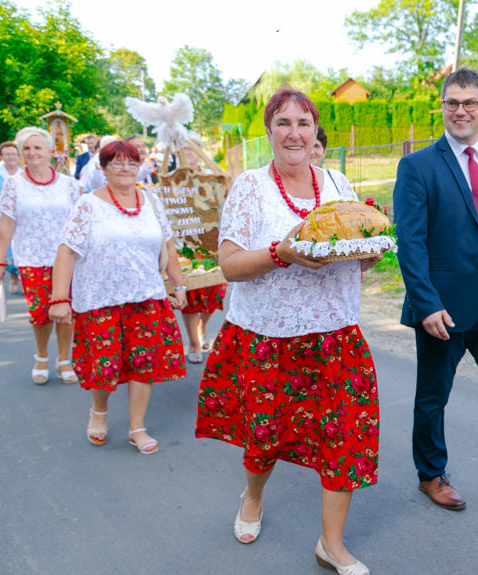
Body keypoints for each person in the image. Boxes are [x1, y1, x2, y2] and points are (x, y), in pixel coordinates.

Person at [195, 89, 380, 575]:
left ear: (314, 130)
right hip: (268, 341)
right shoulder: (250, 187)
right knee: (266, 437)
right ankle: (252, 497)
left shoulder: (337, 181)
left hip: (336, 336)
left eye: (303, 123)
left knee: (345, 438)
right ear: (270, 130)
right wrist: (283, 253)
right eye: (283, 123)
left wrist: (369, 251)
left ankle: (331, 545)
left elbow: (353, 251)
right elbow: (230, 265)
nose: (294, 132)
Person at [393, 67, 478, 511]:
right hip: (443, 310)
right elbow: (411, 242)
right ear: (442, 107)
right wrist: (426, 304)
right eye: (452, 103)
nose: (460, 111)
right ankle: (431, 474)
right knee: (433, 398)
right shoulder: (418, 166)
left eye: (469, 103)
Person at [48, 139, 187, 454]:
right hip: (100, 300)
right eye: (117, 162)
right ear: (103, 167)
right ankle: (99, 411)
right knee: (104, 365)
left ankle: (137, 427)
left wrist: (178, 286)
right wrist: (59, 298)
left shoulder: (150, 201)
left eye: (131, 162)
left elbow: (168, 245)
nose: (125, 168)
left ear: (139, 167)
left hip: (147, 296)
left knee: (143, 364)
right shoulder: (88, 204)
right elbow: (67, 251)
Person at [0, 127, 80, 385]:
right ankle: (41, 355)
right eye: (26, 148)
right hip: (31, 258)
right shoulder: (13, 185)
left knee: (65, 310)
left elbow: (79, 225)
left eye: (37, 147)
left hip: (65, 259)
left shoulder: (70, 185)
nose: (32, 153)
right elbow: (6, 227)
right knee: (40, 312)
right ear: (20, 154)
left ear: (51, 151)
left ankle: (64, 358)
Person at [177, 140, 227, 364]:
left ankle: (203, 326)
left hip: (210, 240)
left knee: (214, 292)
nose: (189, 154)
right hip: (185, 243)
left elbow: (224, 192)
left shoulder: (211, 175)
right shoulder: (173, 179)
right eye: (185, 150)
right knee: (190, 295)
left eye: (192, 150)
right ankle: (194, 342)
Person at [0, 141, 21, 292]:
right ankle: (13, 273)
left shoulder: (24, 173)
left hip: (21, 217)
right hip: (0, 217)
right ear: (1, 156)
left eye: (13, 154)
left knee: (21, 249)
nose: (10, 157)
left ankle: (23, 276)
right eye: (6, 154)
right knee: (8, 253)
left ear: (19, 156)